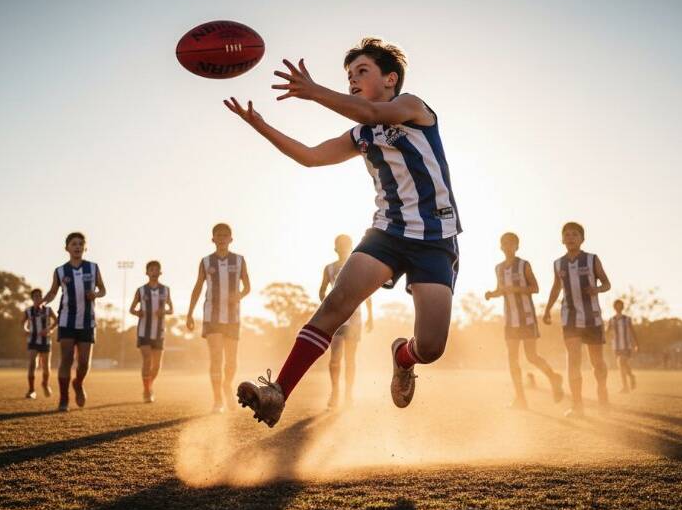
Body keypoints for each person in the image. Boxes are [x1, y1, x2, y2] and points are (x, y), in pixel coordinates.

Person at [226, 37, 461, 427]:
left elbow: (370, 110)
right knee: (334, 307)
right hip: (386, 233)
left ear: (391, 78)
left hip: (435, 240)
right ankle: (277, 393)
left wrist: (314, 91)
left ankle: (403, 356)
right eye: (348, 75)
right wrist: (261, 126)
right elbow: (311, 157)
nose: (352, 80)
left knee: (432, 347)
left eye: (361, 72)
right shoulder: (361, 136)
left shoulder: (413, 107)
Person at [485, 232, 563, 408]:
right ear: (500, 247)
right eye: (504, 243)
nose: (508, 246)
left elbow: (535, 288)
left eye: (511, 243)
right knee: (512, 359)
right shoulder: (499, 268)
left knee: (531, 356)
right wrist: (492, 294)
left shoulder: (523, 265)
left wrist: (516, 288)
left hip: (526, 317)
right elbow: (501, 290)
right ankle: (520, 398)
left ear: (517, 246)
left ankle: (554, 377)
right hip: (510, 320)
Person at [542, 222, 610, 417]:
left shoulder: (592, 259)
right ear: (562, 239)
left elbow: (607, 283)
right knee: (573, 361)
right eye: (567, 235)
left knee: (597, 362)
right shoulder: (558, 264)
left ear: (582, 239)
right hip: (569, 318)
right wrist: (547, 309)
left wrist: (596, 289)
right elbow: (556, 288)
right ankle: (577, 405)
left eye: (575, 234)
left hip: (592, 318)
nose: (571, 237)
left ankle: (602, 393)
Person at [187, 223, 250, 413]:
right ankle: (217, 401)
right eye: (218, 235)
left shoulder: (239, 260)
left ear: (231, 239)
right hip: (212, 316)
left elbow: (247, 287)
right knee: (216, 358)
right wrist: (189, 313)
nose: (222, 238)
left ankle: (227, 385)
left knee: (231, 361)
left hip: (232, 317)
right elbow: (198, 287)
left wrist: (238, 296)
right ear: (213, 239)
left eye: (225, 235)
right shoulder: (206, 262)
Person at [42, 232, 106, 412]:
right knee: (67, 360)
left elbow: (103, 289)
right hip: (66, 320)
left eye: (80, 244)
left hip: (87, 321)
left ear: (85, 247)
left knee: (84, 363)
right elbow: (53, 292)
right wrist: (43, 301)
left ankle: (78, 383)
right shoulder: (60, 271)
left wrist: (96, 294)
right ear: (67, 248)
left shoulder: (93, 268)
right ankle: (64, 399)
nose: (77, 246)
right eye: (73, 244)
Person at [319, 234, 374, 408]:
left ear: (351, 246)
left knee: (350, 360)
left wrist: (370, 316)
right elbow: (322, 291)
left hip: (355, 318)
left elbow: (367, 291)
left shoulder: (358, 266)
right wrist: (327, 305)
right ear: (336, 248)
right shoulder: (329, 269)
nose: (343, 247)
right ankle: (335, 392)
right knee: (335, 358)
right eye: (340, 244)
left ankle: (348, 395)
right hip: (336, 319)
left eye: (346, 244)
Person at [130, 260, 173, 403]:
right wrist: (138, 313)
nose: (154, 272)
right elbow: (132, 309)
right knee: (147, 360)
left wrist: (164, 311)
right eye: (151, 270)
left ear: (160, 272)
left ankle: (148, 386)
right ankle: (147, 392)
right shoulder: (141, 290)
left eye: (156, 270)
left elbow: (171, 309)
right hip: (144, 331)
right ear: (147, 272)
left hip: (159, 332)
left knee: (157, 366)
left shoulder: (165, 290)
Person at [21, 288, 57, 399]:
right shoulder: (28, 311)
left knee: (46, 366)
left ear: (42, 298)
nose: (38, 298)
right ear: (32, 298)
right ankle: (31, 390)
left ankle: (45, 384)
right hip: (33, 340)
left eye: (40, 296)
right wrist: (25, 330)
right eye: (35, 296)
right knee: (32, 364)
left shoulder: (48, 310)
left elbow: (57, 320)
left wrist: (50, 329)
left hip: (45, 341)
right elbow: (23, 323)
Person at [607, 299, 638, 393]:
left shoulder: (627, 319)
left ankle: (625, 387)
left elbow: (633, 331)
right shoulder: (611, 320)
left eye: (620, 305)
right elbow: (607, 332)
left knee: (621, 363)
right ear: (614, 307)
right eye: (616, 305)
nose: (618, 307)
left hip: (626, 345)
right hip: (616, 346)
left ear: (622, 307)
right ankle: (632, 376)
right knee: (623, 365)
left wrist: (636, 344)